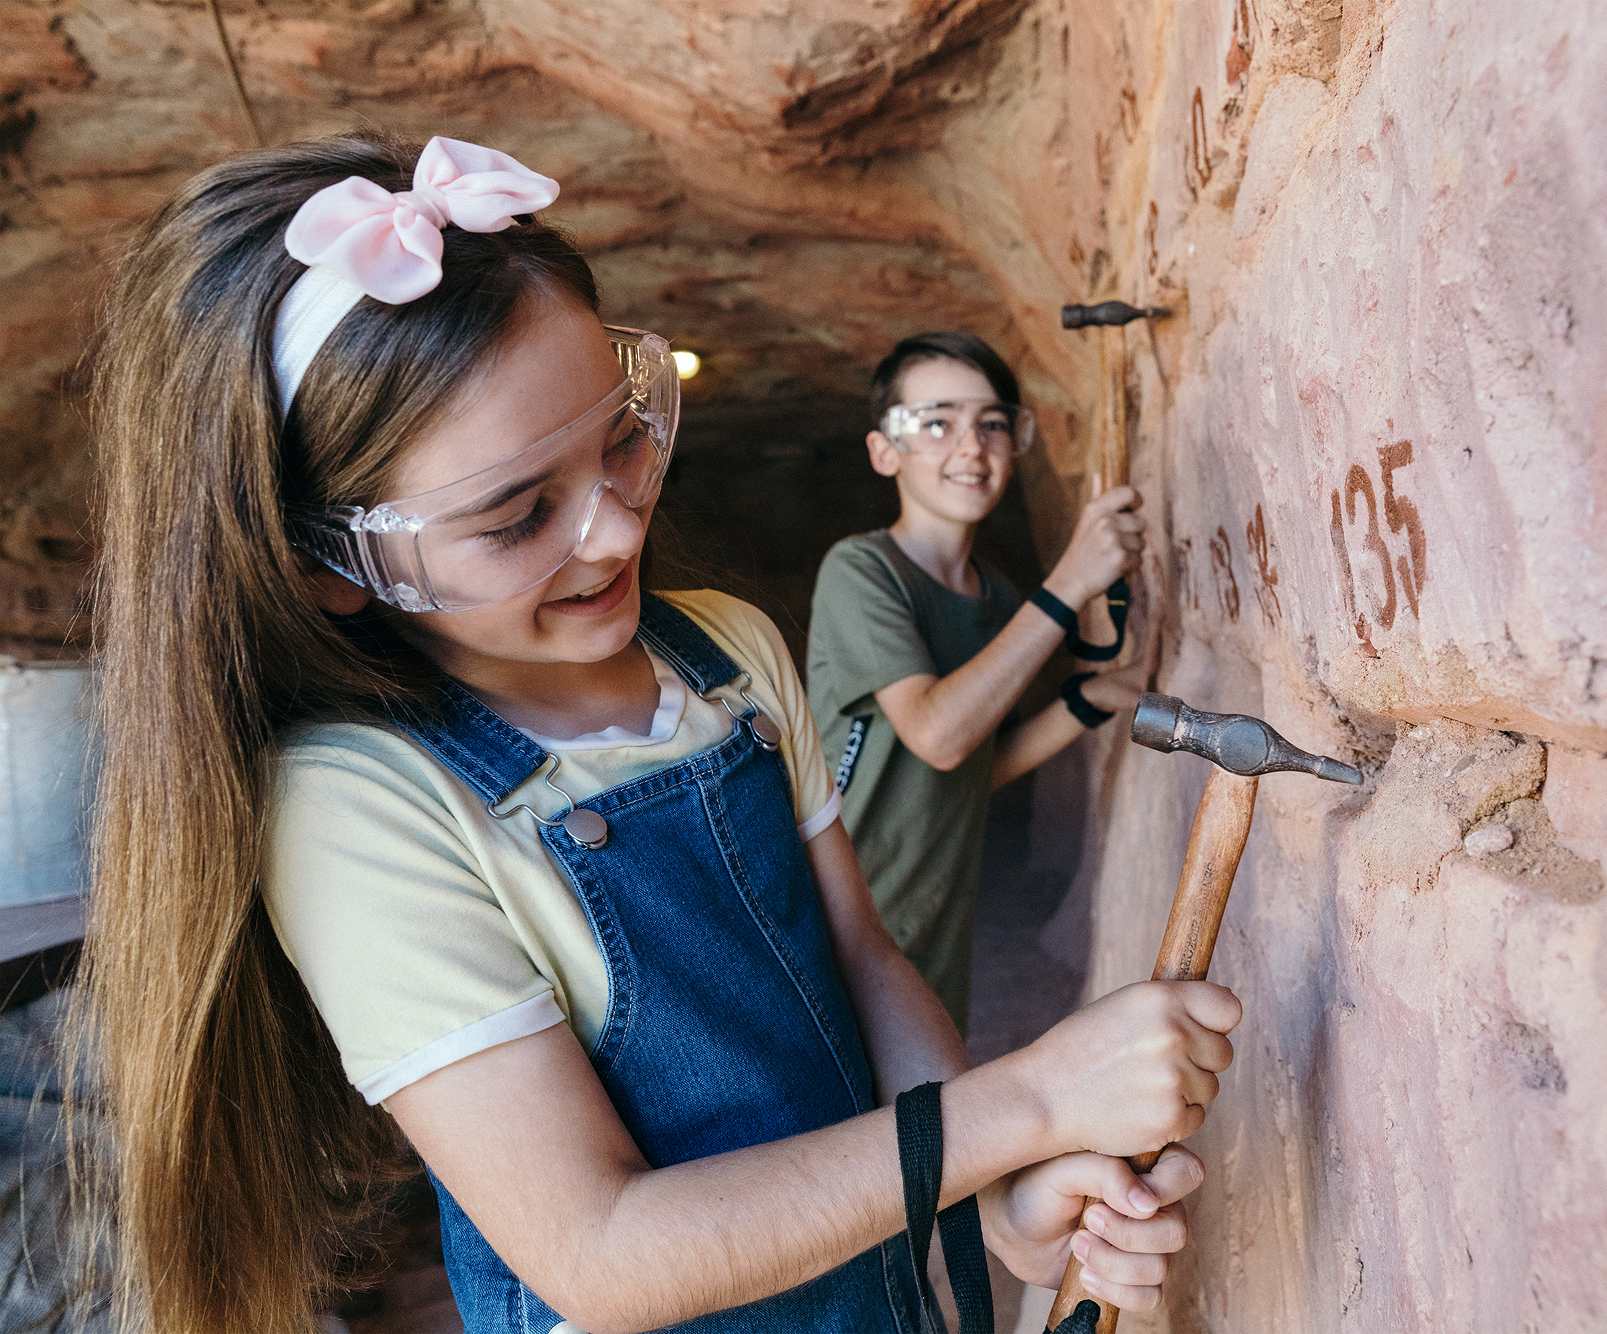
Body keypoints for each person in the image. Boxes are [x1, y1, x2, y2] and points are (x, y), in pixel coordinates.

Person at [73, 134, 1241, 1334]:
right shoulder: (358, 804)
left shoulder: (728, 651)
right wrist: (1029, 1105)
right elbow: (602, 1249)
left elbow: (865, 958)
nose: (616, 532)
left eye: (622, 438)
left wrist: (996, 1200)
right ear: (334, 563)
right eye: (518, 513)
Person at [809, 333, 1152, 1031]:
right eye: (936, 423)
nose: (971, 448)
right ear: (885, 450)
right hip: (837, 926)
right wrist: (1068, 585)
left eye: (992, 423)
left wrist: (1086, 702)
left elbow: (971, 768)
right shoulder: (862, 571)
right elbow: (937, 733)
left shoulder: (995, 599)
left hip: (932, 922)